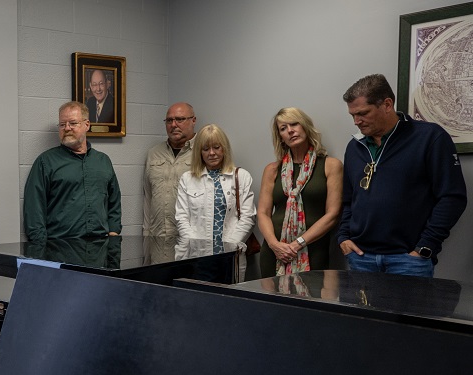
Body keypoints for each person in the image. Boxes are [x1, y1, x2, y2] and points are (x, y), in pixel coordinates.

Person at [337, 73, 467, 277]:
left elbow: (452, 197)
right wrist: (344, 237)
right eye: (352, 115)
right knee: (360, 311)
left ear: (387, 104)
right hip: (361, 258)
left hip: (408, 261)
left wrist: (425, 247)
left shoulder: (430, 137)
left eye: (363, 113)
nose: (356, 121)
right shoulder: (355, 147)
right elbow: (348, 200)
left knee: (407, 311)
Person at [258, 107, 343, 277]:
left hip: (312, 249)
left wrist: (298, 244)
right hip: (275, 251)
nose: (290, 131)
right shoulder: (272, 170)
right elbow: (263, 213)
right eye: (283, 128)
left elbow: (332, 214)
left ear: (305, 126)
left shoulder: (331, 165)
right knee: (271, 301)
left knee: (310, 301)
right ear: (280, 137)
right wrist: (274, 245)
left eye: (294, 124)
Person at [23, 100, 122, 242]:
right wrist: (41, 248)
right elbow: (34, 210)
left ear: (87, 125)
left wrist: (113, 234)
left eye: (73, 123)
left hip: (99, 250)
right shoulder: (46, 162)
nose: (67, 128)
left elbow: (114, 202)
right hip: (60, 249)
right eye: (62, 124)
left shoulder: (103, 161)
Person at [175, 124, 255, 279]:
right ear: (199, 152)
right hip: (197, 258)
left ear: (224, 148)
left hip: (230, 258)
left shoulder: (242, 176)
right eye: (206, 149)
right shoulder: (187, 179)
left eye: (216, 147)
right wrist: (196, 247)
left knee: (229, 300)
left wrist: (229, 248)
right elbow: (181, 218)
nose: (212, 153)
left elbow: (248, 217)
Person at [143, 102, 197, 261]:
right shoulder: (154, 153)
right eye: (169, 120)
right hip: (159, 241)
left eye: (180, 119)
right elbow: (148, 199)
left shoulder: (205, 152)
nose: (174, 125)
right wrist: (146, 241)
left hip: (190, 243)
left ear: (193, 120)